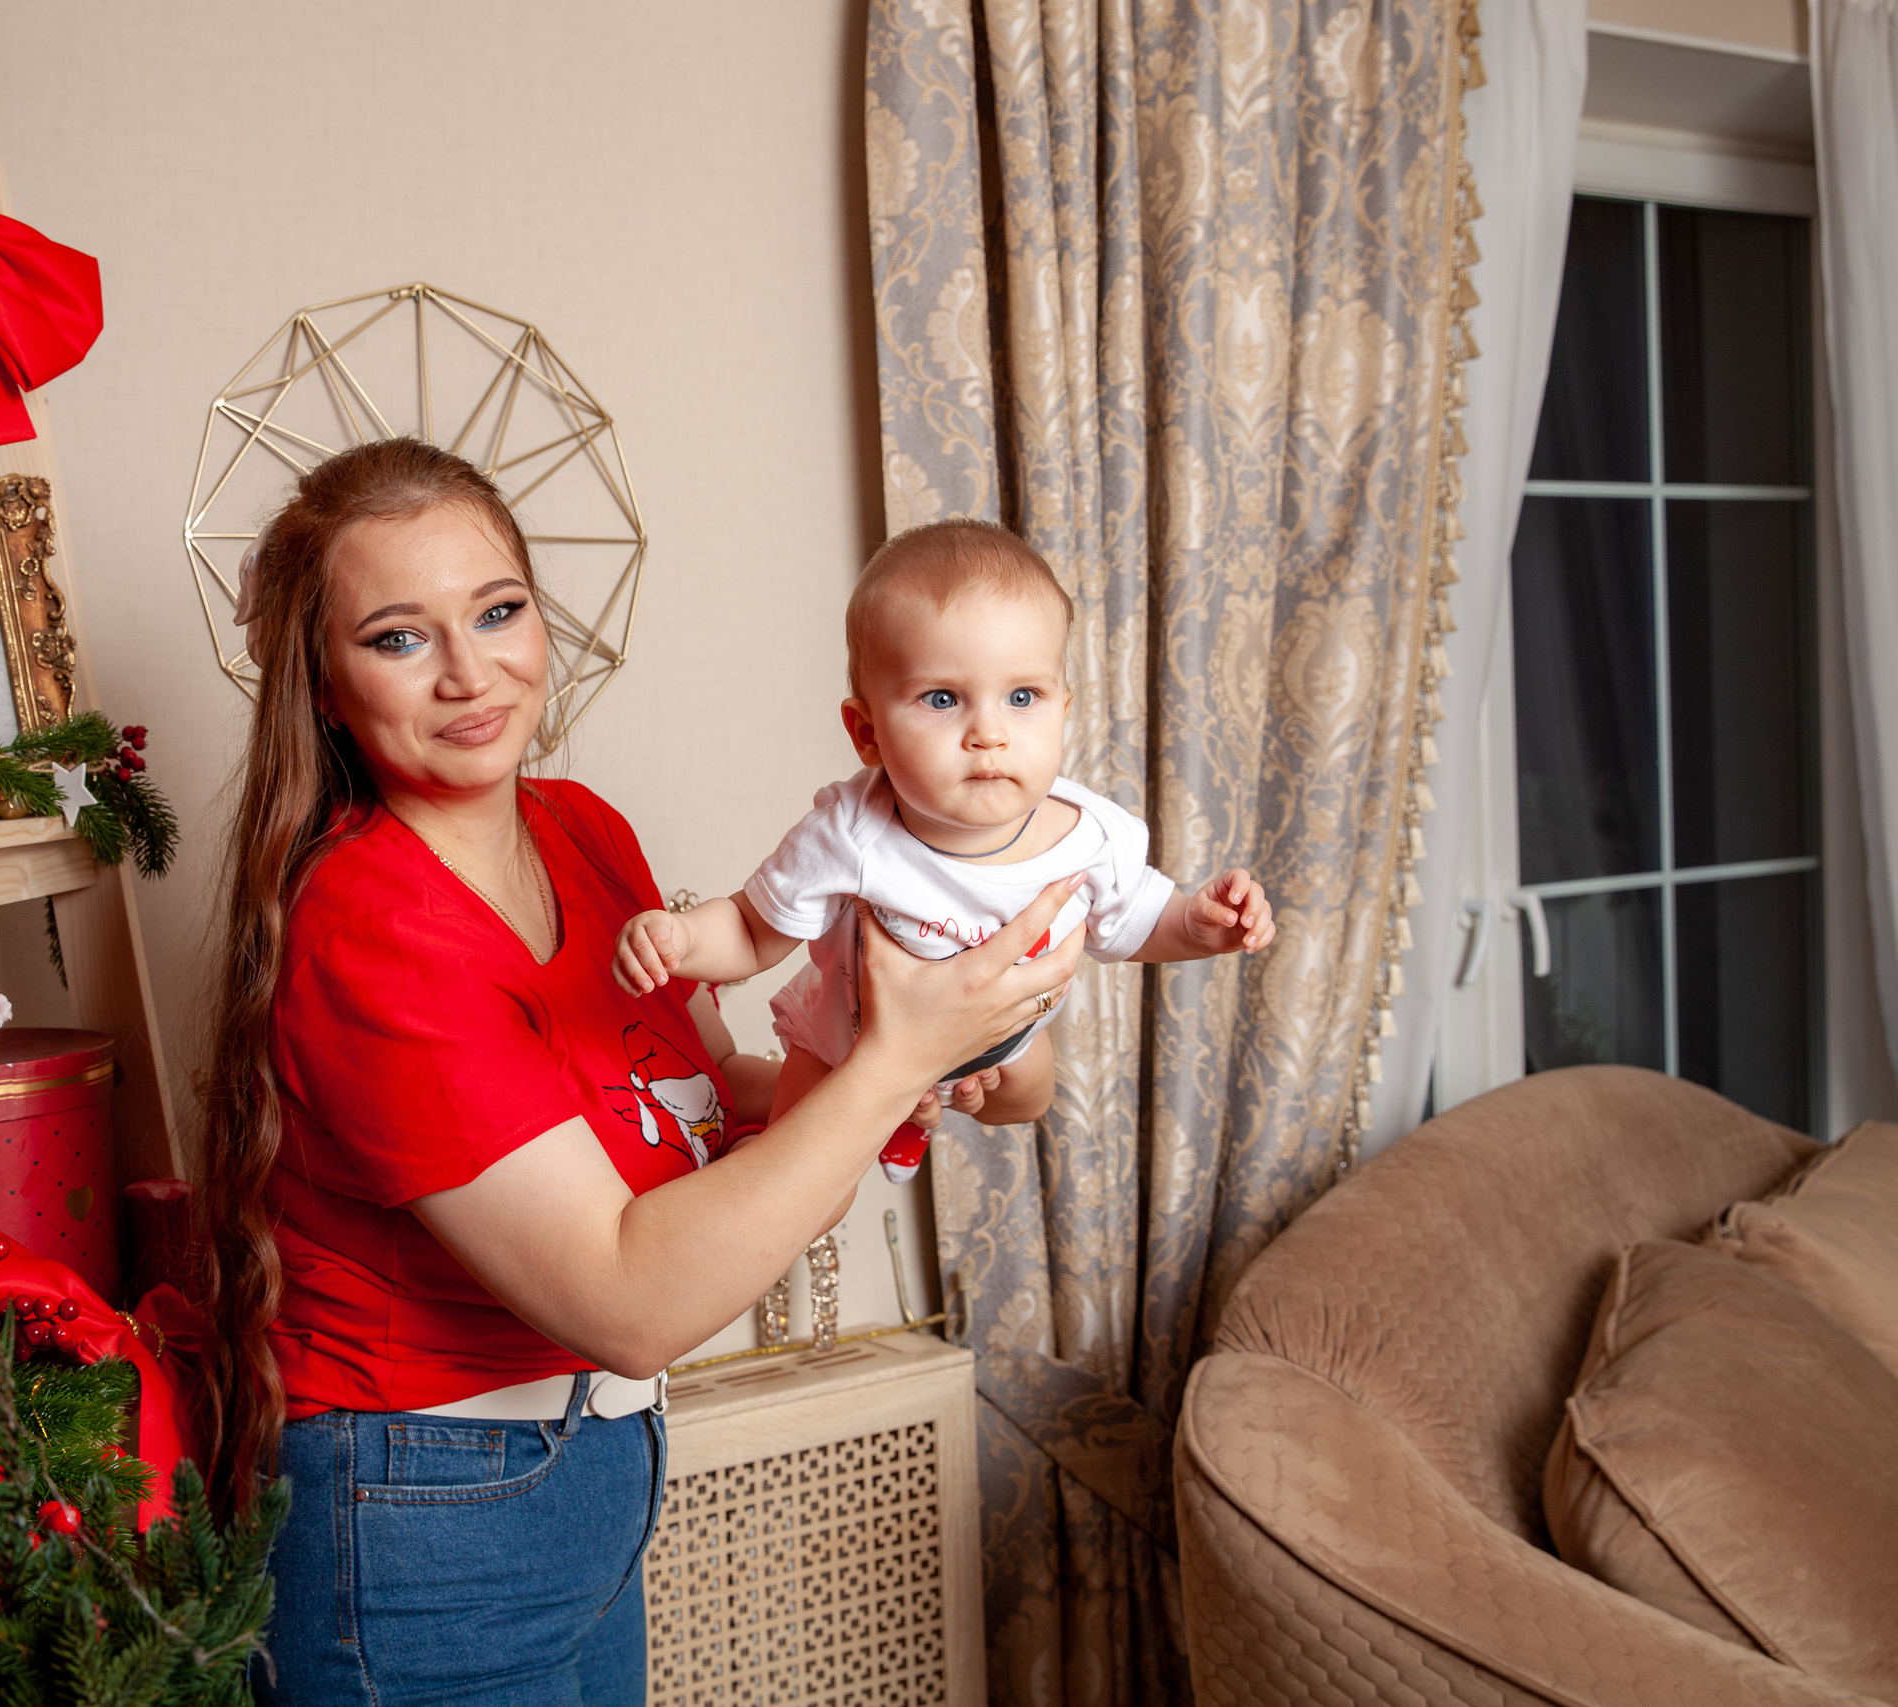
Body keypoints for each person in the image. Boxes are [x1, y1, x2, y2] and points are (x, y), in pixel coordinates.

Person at [195, 443, 1085, 1706]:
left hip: (592, 1478)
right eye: (399, 638)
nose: (469, 672)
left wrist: (921, 1062)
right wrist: (891, 1062)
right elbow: (626, 1300)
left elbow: (710, 1084)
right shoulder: (367, 926)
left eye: (498, 612)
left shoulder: (582, 828)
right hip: (423, 1513)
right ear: (325, 687)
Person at [611, 519, 1276, 1182]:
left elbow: (1140, 919)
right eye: (941, 698)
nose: (988, 732)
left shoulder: (1088, 834)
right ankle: (885, 1118)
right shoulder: (851, 832)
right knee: (788, 1167)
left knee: (1031, 1081)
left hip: (998, 1038)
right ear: (866, 732)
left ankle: (917, 1113)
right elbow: (752, 930)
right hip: (848, 1039)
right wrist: (681, 937)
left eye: (1022, 696)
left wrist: (1199, 923)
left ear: (1064, 709)